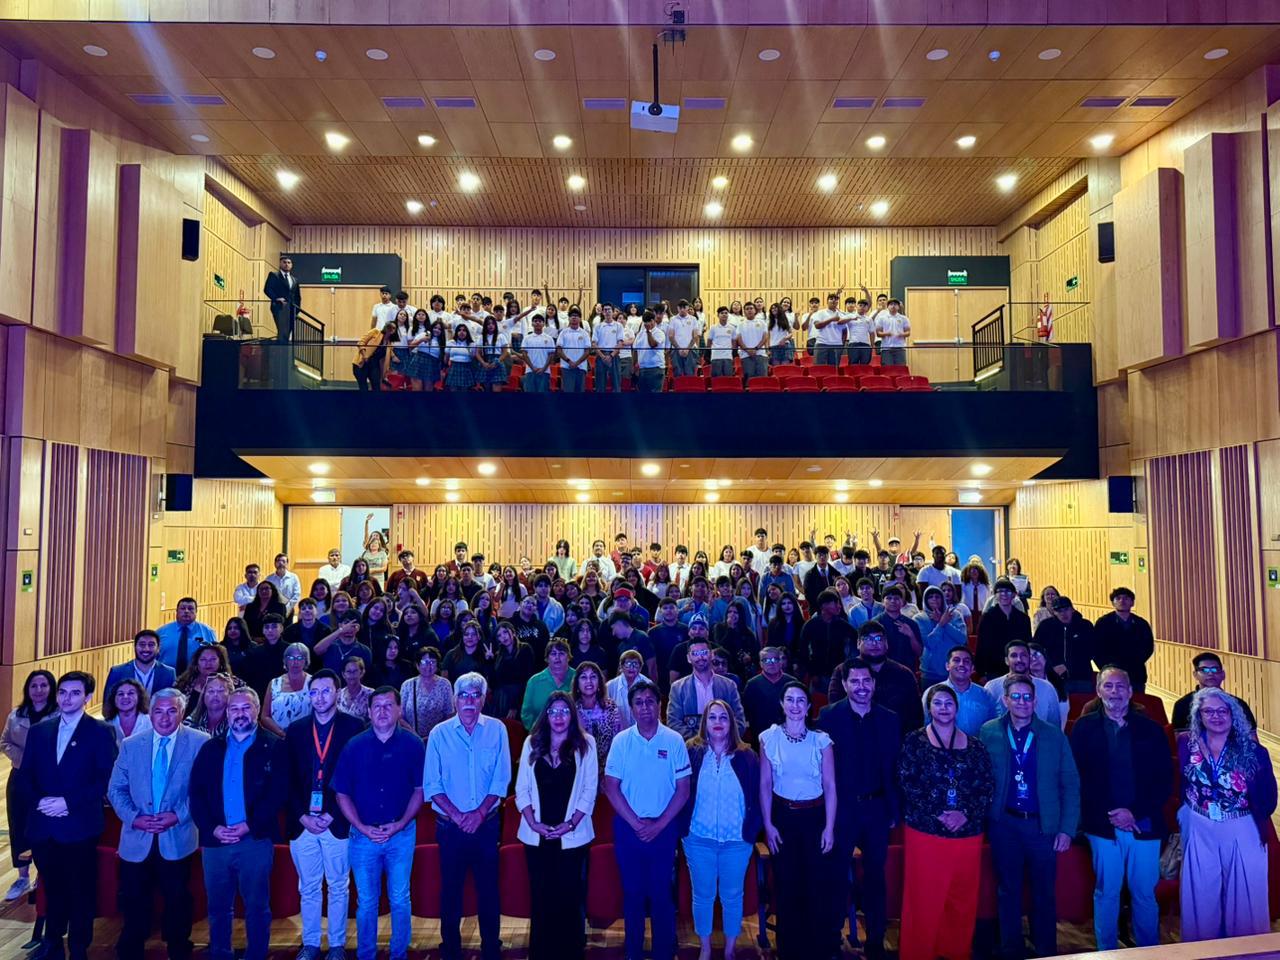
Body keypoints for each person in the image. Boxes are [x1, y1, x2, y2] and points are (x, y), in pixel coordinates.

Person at [1070, 666, 1173, 951]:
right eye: (1108, 686)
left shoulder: (1151, 730)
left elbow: (1164, 779)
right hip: (1102, 825)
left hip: (1144, 823)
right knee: (1107, 891)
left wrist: (1133, 813)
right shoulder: (1084, 728)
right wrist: (1113, 814)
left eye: (1120, 686)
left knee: (1144, 893)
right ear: (1098, 691)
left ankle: (1148, 952)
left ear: (1130, 691)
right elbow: (1078, 778)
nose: (1114, 692)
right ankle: (1107, 952)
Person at [979, 675, 1080, 960]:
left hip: (1042, 826)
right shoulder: (988, 731)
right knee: (1007, 890)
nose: (1022, 702)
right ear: (1005, 700)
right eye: (1016, 696)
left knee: (1043, 892)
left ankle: (1046, 950)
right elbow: (980, 778)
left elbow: (1070, 783)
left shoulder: (1053, 735)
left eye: (1027, 697)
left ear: (1035, 701)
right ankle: (1011, 949)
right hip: (1004, 825)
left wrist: (1066, 829)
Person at [20, 671, 117, 960]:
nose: (67, 698)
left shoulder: (100, 732)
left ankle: (78, 947)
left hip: (79, 825)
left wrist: (68, 802)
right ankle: (51, 942)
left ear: (88, 698)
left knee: (80, 890)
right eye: (62, 692)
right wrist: (40, 801)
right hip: (43, 824)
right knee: (52, 887)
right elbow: (25, 775)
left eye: (75, 693)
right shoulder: (40, 731)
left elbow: (105, 778)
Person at [108, 689, 208, 960]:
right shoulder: (131, 744)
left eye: (172, 711)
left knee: (178, 899)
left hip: (177, 836)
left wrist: (178, 815)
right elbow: (116, 789)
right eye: (159, 711)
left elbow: (205, 790)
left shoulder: (200, 742)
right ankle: (131, 952)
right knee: (133, 899)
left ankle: (178, 949)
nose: (164, 718)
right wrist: (134, 818)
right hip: (136, 838)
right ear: (150, 713)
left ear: (182, 713)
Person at [897, 684, 994, 960]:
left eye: (948, 703)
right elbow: (907, 782)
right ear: (929, 708)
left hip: (967, 833)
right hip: (926, 831)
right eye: (937, 703)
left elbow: (986, 785)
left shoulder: (975, 746)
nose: (943, 708)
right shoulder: (914, 742)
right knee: (924, 897)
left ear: (956, 708)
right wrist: (938, 813)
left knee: (961, 898)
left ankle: (954, 951)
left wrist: (965, 813)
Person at [189, 688, 283, 960]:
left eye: (246, 708)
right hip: (216, 842)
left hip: (254, 840)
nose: (240, 714)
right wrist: (212, 828)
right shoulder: (211, 748)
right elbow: (196, 794)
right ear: (227, 713)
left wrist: (249, 825)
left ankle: (256, 955)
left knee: (257, 907)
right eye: (234, 709)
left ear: (257, 710)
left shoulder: (273, 746)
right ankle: (221, 954)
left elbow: (277, 795)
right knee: (218, 908)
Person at [423, 673, 511, 960]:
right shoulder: (439, 734)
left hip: (487, 825)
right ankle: (450, 949)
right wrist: (459, 816)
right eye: (463, 695)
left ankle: (491, 949)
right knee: (450, 891)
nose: (469, 701)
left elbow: (501, 779)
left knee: (489, 891)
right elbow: (432, 784)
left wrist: (479, 813)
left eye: (475, 695)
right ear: (455, 700)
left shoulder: (497, 730)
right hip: (450, 827)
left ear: (483, 699)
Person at [1178, 687, 1277, 941]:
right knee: (1201, 895)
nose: (1216, 716)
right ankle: (1204, 953)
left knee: (1246, 899)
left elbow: (1268, 796)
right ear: (1199, 715)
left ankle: (1245, 953)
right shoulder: (1186, 745)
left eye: (1223, 711)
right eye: (1209, 711)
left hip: (1241, 827)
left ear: (1233, 715)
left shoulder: (1253, 751)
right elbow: (1179, 783)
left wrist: (1248, 817)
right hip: (1200, 826)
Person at [817, 659, 900, 960]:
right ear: (845, 684)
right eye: (855, 681)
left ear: (874, 684)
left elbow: (895, 768)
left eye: (867, 681)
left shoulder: (890, 719)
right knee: (836, 876)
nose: (861, 687)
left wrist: (893, 810)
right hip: (842, 810)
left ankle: (876, 941)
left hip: (877, 808)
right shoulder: (828, 717)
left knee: (876, 878)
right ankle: (832, 940)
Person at [334, 687, 425, 960]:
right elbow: (341, 794)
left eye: (388, 705)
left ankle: (399, 954)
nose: (382, 711)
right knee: (366, 903)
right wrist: (362, 827)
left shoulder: (413, 744)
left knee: (400, 898)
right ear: (369, 711)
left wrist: (401, 824)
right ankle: (366, 955)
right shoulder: (354, 746)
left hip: (401, 834)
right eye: (377, 706)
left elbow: (420, 790)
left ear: (399, 710)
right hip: (363, 837)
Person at [603, 680, 691, 960]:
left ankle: (663, 952)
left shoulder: (674, 740)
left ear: (659, 705)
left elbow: (684, 789)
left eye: (650, 702)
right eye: (638, 703)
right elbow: (611, 787)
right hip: (628, 828)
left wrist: (660, 824)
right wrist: (636, 823)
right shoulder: (621, 741)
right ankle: (633, 952)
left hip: (664, 829)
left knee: (661, 893)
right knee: (632, 893)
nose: (645, 707)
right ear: (631, 708)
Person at [284, 669, 363, 960]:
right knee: (308, 887)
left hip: (337, 819)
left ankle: (338, 945)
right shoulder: (295, 730)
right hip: (302, 821)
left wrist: (332, 811)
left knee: (339, 885)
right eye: (314, 692)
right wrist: (301, 815)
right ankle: (311, 944)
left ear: (337, 693)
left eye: (326, 691)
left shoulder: (354, 727)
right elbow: (287, 779)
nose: (319, 697)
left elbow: (356, 777)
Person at [515, 691, 599, 960]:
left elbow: (589, 790)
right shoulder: (531, 742)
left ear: (572, 715)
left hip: (572, 837)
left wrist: (570, 824)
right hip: (537, 836)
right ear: (546, 715)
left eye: (564, 711)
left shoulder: (586, 744)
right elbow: (521, 788)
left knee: (570, 898)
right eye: (554, 712)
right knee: (541, 898)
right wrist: (533, 823)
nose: (559, 717)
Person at [758, 681, 836, 960]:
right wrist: (768, 825)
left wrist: (829, 827)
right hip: (783, 817)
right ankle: (788, 951)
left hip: (815, 818)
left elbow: (830, 785)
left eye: (801, 700)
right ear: (782, 704)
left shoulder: (821, 740)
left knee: (816, 884)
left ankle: (817, 950)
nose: (795, 705)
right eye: (790, 699)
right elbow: (765, 784)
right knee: (786, 884)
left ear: (808, 705)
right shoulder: (769, 738)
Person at [680, 700, 760, 960]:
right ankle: (704, 948)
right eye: (712, 717)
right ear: (705, 722)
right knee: (702, 895)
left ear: (731, 723)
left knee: (732, 896)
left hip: (736, 839)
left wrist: (751, 830)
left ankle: (729, 949)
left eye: (723, 717)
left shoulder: (747, 756)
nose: (717, 722)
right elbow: (679, 790)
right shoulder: (692, 752)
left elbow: (758, 797)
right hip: (698, 837)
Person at [1, 670, 55, 901]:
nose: (38, 690)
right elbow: (4, 742)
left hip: (48, 779)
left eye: (43, 685)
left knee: (43, 827)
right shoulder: (16, 714)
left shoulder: (59, 715)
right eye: (34, 685)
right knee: (18, 825)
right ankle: (22, 876)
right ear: (27, 689)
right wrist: (24, 760)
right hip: (20, 777)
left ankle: (42, 876)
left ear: (51, 688)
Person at [666, 636, 747, 737]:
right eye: (695, 653)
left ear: (711, 655)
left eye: (704, 652)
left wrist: (721, 740)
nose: (700, 657)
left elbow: (739, 721)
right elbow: (673, 723)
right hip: (691, 745)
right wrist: (697, 742)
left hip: (725, 744)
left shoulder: (729, 685)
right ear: (688, 658)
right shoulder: (677, 688)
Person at [1171, 650, 1257, 731]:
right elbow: (1178, 738)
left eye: (1215, 669)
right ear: (1195, 675)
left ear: (1223, 675)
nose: (1210, 673)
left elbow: (1251, 736)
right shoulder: (1183, 705)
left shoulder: (1238, 704)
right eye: (1204, 670)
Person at [983, 641, 1062, 727]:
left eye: (1023, 655)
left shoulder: (1047, 688)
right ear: (1006, 660)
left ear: (1029, 659)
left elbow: (1055, 726)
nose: (1019, 660)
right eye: (1014, 656)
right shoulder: (992, 687)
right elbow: (985, 724)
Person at [1092, 586, 1154, 692]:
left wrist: (1135, 662)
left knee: (1138, 700)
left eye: (1126, 598)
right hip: (1111, 673)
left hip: (1135, 673)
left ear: (1132, 602)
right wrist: (1107, 667)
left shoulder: (1141, 623)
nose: (1122, 601)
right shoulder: (1103, 623)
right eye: (1118, 598)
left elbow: (1148, 647)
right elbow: (1096, 648)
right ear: (1113, 603)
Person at [924, 645, 996, 736]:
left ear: (972, 668)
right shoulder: (931, 693)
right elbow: (925, 724)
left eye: (966, 661)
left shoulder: (985, 695)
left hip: (977, 744)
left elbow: (992, 727)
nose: (961, 664)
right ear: (947, 666)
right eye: (956, 660)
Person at [1033, 595, 1097, 694]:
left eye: (1066, 609)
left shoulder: (1085, 626)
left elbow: (1091, 651)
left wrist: (1067, 666)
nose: (1063, 614)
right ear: (1054, 612)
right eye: (1059, 611)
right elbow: (1036, 650)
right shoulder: (1045, 626)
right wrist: (1051, 666)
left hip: (1081, 676)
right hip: (1054, 676)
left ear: (1072, 609)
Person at [975, 578, 1033, 679]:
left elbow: (1027, 643)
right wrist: (981, 672)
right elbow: (981, 645)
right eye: (1000, 591)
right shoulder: (987, 618)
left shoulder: (1023, 618)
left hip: (1018, 667)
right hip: (993, 668)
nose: (1004, 594)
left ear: (1014, 595)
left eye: (1007, 591)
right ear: (995, 596)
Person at [572, 662, 621, 777]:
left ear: (599, 682)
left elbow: (618, 743)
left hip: (608, 770)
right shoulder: (571, 708)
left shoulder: (611, 707)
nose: (589, 681)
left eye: (593, 677)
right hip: (578, 770)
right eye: (584, 677)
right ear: (577, 683)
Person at [915, 585, 967, 687]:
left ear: (942, 598)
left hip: (954, 670)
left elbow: (962, 639)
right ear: (925, 600)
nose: (934, 599)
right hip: (930, 672)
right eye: (930, 597)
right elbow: (929, 644)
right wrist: (941, 624)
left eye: (937, 596)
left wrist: (945, 623)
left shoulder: (954, 614)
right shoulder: (919, 618)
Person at [106, 629, 177, 703]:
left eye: (151, 645)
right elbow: (107, 704)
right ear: (135, 647)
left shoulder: (169, 673)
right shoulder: (117, 672)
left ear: (158, 648)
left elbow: (173, 703)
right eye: (142, 644)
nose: (146, 649)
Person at [399, 646, 454, 740]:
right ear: (417, 665)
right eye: (424, 662)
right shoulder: (407, 685)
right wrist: (413, 734)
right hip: (412, 737)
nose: (428, 666)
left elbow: (450, 714)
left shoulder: (445, 684)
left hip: (438, 737)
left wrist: (433, 734)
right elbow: (400, 715)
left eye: (432, 662)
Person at [521, 638, 576, 730]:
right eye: (553, 654)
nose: (557, 657)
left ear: (568, 657)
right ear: (547, 658)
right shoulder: (534, 681)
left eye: (561, 653)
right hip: (541, 733)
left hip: (573, 733)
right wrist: (539, 732)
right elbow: (526, 714)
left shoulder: (579, 678)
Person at [260, 641, 313, 736]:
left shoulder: (313, 682)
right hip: (278, 736)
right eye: (291, 658)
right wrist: (281, 733)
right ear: (285, 660)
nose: (295, 662)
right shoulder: (274, 683)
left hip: (307, 735)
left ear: (306, 661)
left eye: (300, 658)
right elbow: (264, 716)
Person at [155, 598, 218, 676]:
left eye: (190, 609)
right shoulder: (161, 632)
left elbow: (216, 657)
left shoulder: (208, 632)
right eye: (183, 608)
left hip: (198, 678)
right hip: (165, 677)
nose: (186, 611)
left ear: (196, 612)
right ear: (177, 611)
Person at [743, 646, 796, 736]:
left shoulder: (792, 682)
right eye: (766, 660)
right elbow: (747, 712)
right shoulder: (752, 684)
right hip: (760, 734)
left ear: (780, 662)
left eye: (774, 659)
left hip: (789, 733)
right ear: (760, 664)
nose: (771, 663)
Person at [264, 253, 301, 356]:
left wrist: (297, 310)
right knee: (282, 332)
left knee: (287, 334)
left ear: (291, 265)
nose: (286, 264)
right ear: (280, 263)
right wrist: (276, 298)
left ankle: (284, 355)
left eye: (289, 262)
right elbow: (267, 289)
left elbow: (298, 297)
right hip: (280, 308)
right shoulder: (274, 275)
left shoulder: (294, 280)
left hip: (291, 310)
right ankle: (281, 356)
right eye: (284, 262)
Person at [608, 648, 651, 729]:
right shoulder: (610, 686)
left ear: (640, 668)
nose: (632, 667)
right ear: (621, 666)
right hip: (619, 732)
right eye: (628, 663)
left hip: (643, 730)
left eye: (635, 664)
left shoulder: (648, 684)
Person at [338, 655, 374, 722]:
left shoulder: (371, 694)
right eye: (348, 671)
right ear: (343, 674)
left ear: (362, 672)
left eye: (355, 671)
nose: (352, 675)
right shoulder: (338, 695)